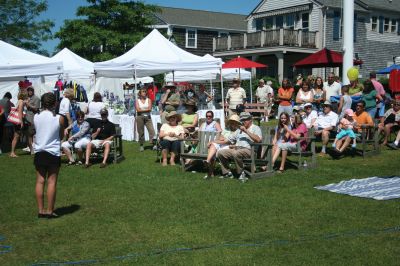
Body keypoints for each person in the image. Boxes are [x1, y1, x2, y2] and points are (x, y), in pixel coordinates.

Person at [33, 92, 64, 218]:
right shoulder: (59, 118)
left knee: (40, 181)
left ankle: (41, 210)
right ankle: (50, 211)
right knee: (51, 182)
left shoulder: (36, 116)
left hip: (39, 151)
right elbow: (61, 135)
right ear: (55, 103)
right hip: (53, 152)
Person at [217, 112, 262, 181]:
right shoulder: (238, 130)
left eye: (245, 120)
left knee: (236, 153)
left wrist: (246, 131)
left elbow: (258, 140)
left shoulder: (256, 128)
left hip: (250, 150)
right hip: (237, 149)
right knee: (221, 153)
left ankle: (241, 173)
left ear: (250, 120)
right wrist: (213, 142)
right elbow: (227, 140)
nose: (243, 122)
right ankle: (227, 173)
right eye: (242, 120)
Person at [204, 114, 240, 179]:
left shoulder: (237, 131)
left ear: (237, 123)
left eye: (234, 122)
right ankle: (208, 161)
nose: (232, 123)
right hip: (222, 144)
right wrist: (218, 141)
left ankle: (210, 172)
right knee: (213, 146)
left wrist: (213, 141)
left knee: (214, 147)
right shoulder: (227, 129)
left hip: (230, 146)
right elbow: (221, 138)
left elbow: (227, 141)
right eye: (231, 122)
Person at [10, 91, 28, 158]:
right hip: (18, 121)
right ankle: (12, 152)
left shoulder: (19, 101)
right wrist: (21, 122)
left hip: (16, 121)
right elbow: (20, 112)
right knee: (16, 136)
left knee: (16, 136)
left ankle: (12, 152)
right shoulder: (21, 102)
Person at [24, 87, 40, 154]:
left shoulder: (36, 98)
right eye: (28, 91)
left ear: (33, 91)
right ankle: (31, 148)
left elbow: (36, 109)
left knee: (32, 134)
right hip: (27, 119)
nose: (29, 92)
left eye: (31, 91)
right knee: (28, 134)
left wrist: (28, 104)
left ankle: (33, 149)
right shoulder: (27, 98)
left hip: (32, 119)